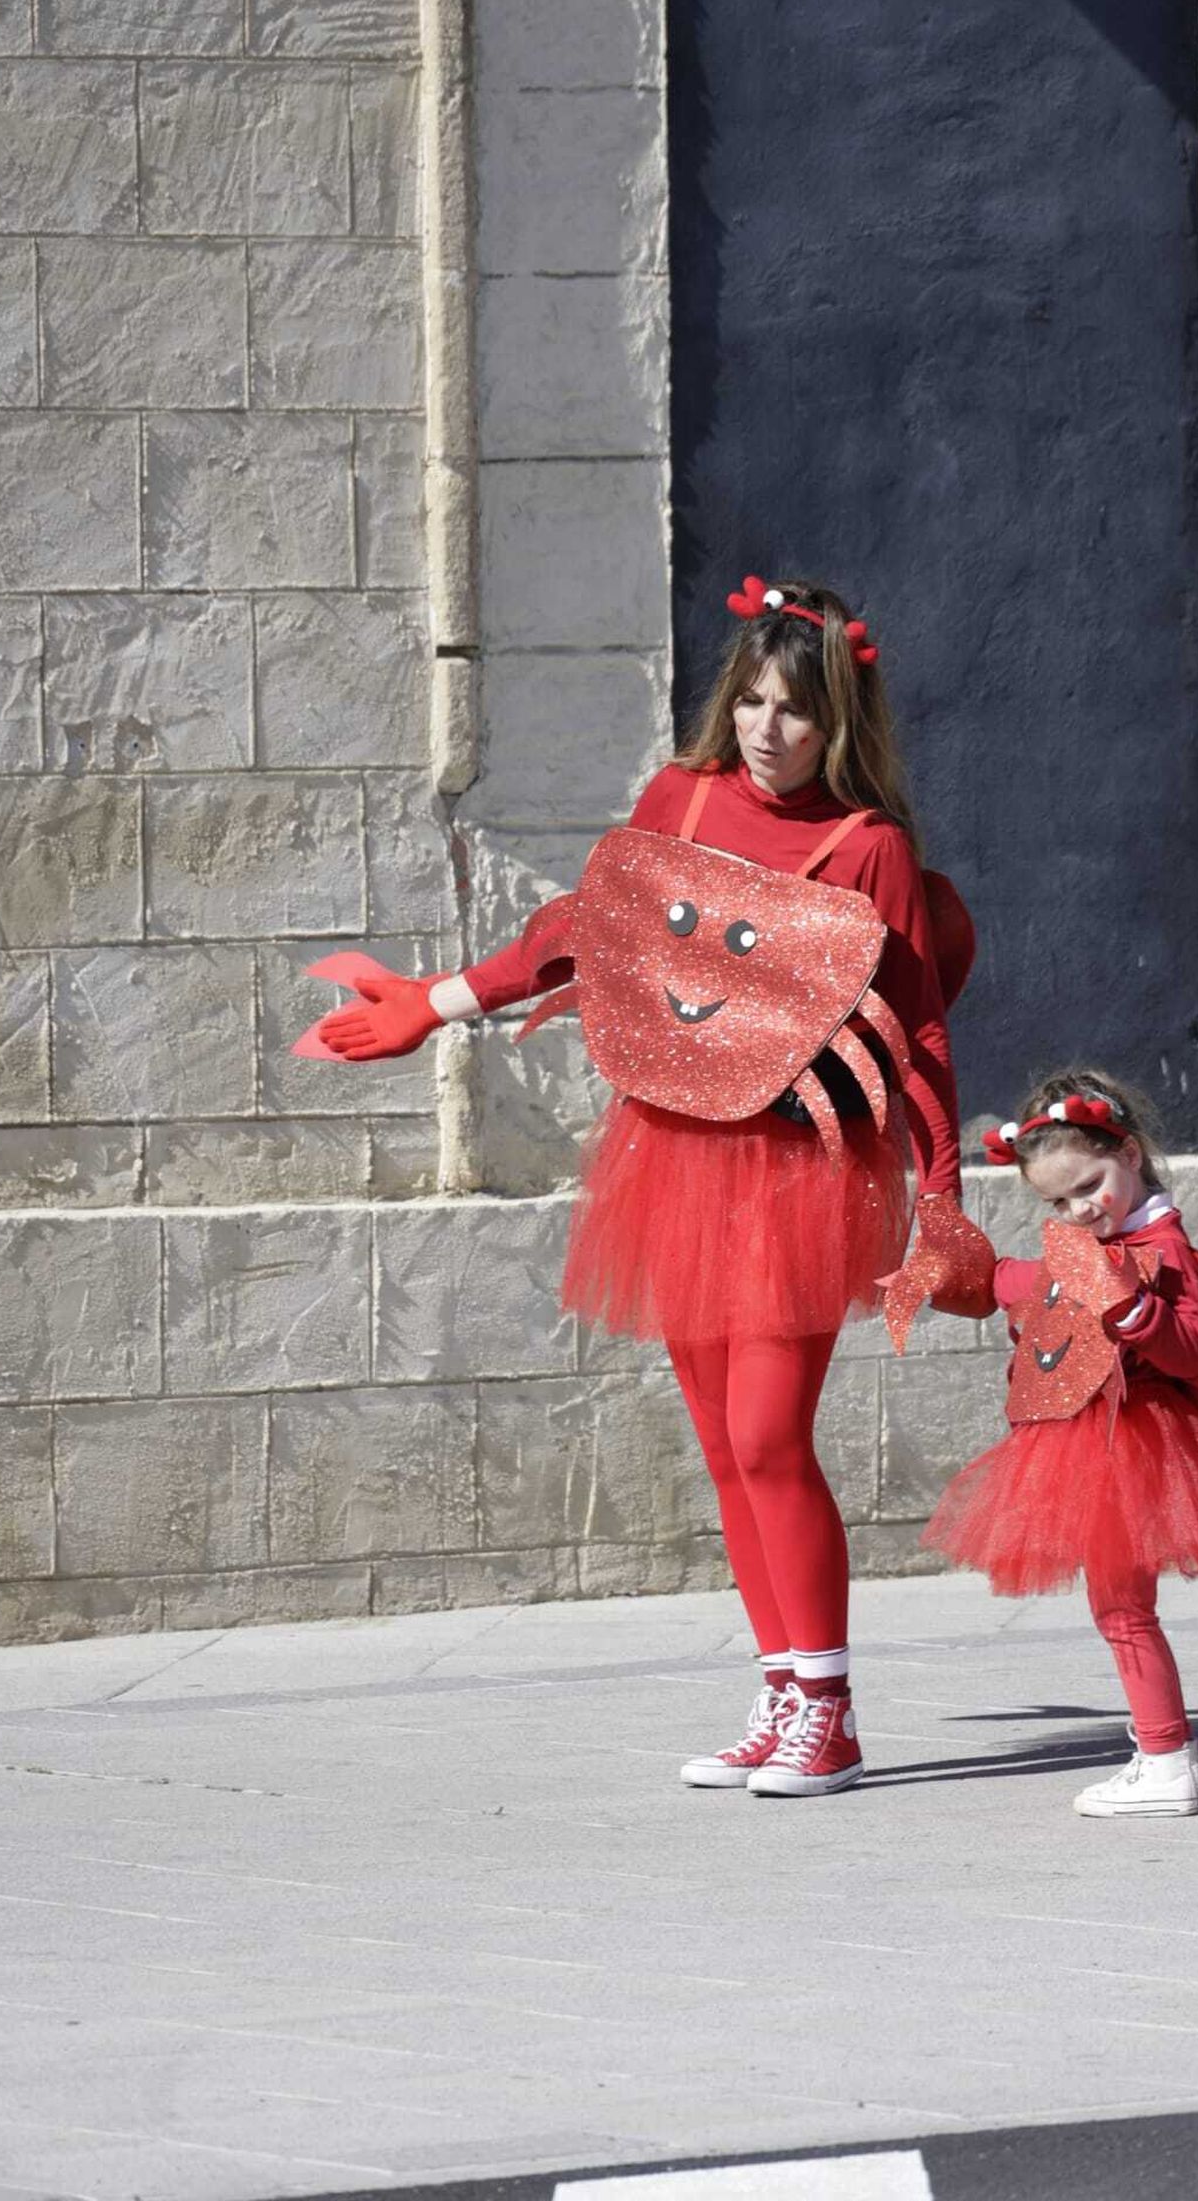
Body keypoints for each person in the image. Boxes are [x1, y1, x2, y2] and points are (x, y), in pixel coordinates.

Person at [312, 578, 991, 1797]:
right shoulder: (680, 798)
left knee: (768, 1436)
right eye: (752, 702)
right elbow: (584, 928)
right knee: (724, 1453)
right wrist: (436, 1003)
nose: (765, 731)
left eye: (795, 712)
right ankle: (782, 1685)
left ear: (841, 721)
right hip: (671, 1155)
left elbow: (917, 1028)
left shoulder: (869, 847)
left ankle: (829, 1715)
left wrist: (943, 1202)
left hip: (801, 1171)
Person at [923, 1069, 1198, 1817]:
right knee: (1119, 1608)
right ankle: (1159, 1749)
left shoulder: (1161, 1243)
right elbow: (1017, 1279)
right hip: (1099, 1440)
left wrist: (1131, 1303)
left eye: (1089, 1186)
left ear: (1132, 1154)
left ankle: (1167, 1757)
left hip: (1134, 1443)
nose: (1080, 1210)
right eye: (1057, 1202)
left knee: (1123, 1610)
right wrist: (946, 1277)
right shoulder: (1095, 1240)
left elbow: (1195, 1345)